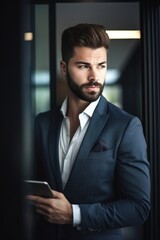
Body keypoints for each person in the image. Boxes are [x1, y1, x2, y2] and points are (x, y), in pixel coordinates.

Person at [26, 23, 151, 240]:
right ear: (64, 68)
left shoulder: (126, 126)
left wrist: (74, 214)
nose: (95, 76)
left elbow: (138, 207)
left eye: (101, 65)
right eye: (83, 66)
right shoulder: (42, 123)